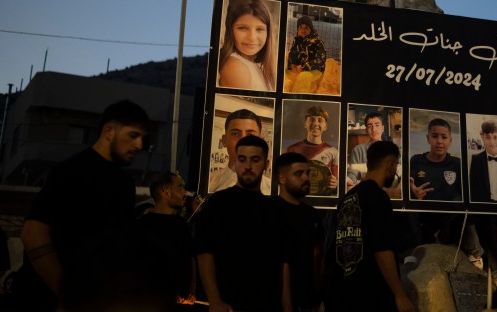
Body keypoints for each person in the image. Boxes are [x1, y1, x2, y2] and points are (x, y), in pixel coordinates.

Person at [14, 100, 150, 312]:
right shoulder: (70, 172)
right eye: (133, 135)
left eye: (143, 138)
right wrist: (67, 295)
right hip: (44, 300)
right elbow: (33, 234)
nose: (139, 146)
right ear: (108, 132)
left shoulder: (125, 185)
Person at [194, 135, 291, 312]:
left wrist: (287, 306)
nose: (247, 166)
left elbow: (283, 263)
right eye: (242, 159)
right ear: (235, 162)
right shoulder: (218, 203)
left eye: (255, 160)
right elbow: (204, 252)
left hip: (267, 304)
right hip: (229, 304)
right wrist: (214, 300)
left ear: (266, 164)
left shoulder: (275, 210)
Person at [331, 140, 414, 312]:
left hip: (343, 293)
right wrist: (400, 295)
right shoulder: (378, 197)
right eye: (396, 164)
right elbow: (382, 250)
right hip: (370, 295)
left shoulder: (347, 198)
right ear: (390, 165)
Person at [272, 153, 325, 312]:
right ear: (282, 178)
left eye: (308, 173)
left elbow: (318, 258)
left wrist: (317, 297)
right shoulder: (269, 211)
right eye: (298, 173)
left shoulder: (313, 215)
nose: (306, 178)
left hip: (308, 301)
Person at [135, 172, 195, 304]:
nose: (185, 193)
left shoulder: (181, 224)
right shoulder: (143, 226)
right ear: (166, 192)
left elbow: (190, 259)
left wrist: (191, 290)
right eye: (180, 187)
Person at [217, 0, 277, 91]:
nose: (252, 37)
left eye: (259, 29)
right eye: (243, 28)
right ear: (230, 30)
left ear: (268, 33)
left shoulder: (257, 65)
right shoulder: (236, 67)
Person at [207, 108, 272, 194]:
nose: (243, 140)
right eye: (235, 134)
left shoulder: (271, 189)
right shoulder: (209, 184)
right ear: (224, 140)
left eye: (250, 135)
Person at [286, 106, 340, 196]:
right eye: (312, 119)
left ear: (325, 126)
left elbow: (335, 181)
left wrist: (335, 183)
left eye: (320, 120)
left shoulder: (334, 152)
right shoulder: (292, 150)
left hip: (322, 199)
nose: (315, 124)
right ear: (305, 124)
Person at [409, 118, 462, 201]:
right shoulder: (416, 161)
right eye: (434, 136)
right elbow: (408, 189)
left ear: (450, 140)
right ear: (428, 138)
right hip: (422, 213)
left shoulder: (457, 164)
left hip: (449, 213)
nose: (439, 141)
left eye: (444, 137)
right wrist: (413, 193)